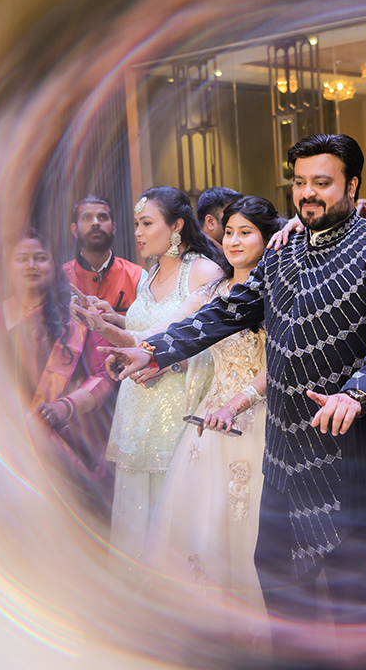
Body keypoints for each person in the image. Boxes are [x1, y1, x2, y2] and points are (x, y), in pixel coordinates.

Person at [102, 134, 366, 667]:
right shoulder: (284, 251)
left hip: (353, 451)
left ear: (352, 185)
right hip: (285, 449)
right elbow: (228, 310)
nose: (308, 193)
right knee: (276, 575)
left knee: (346, 583)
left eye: (322, 183)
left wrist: (357, 393)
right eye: (300, 182)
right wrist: (155, 349)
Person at [144, 196, 283, 645]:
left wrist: (238, 403)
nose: (234, 241)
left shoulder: (279, 290)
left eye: (246, 232)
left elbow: (279, 365)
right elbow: (169, 332)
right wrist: (135, 347)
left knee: (247, 523)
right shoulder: (212, 294)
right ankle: (208, 633)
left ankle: (256, 633)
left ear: (268, 238)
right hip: (209, 421)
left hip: (258, 419)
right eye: (229, 233)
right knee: (200, 521)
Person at [94, 187, 224, 573]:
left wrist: (169, 364)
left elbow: (214, 341)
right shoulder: (147, 276)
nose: (138, 232)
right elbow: (150, 329)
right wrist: (113, 319)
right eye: (136, 224)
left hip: (177, 409)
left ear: (177, 226)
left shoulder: (202, 272)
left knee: (171, 514)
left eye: (147, 223)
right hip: (138, 408)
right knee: (135, 511)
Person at [0, 228, 116, 512]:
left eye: (40, 258)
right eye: (21, 258)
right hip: (5, 440)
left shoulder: (78, 317)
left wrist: (64, 407)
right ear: (8, 266)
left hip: (65, 443)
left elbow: (104, 374)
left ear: (54, 264)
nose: (31, 265)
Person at [62, 195, 143, 315]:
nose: (95, 223)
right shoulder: (60, 278)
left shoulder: (138, 277)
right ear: (74, 230)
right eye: (86, 217)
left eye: (102, 217)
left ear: (114, 228)